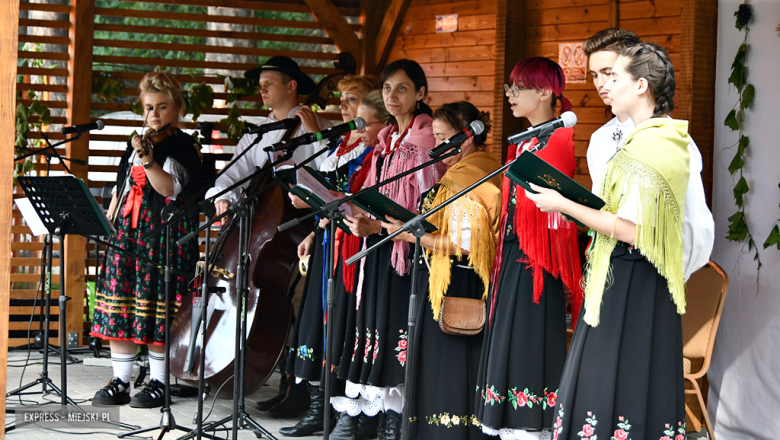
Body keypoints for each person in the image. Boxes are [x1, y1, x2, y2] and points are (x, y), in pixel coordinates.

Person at [526, 42, 690, 440]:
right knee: (605, 380)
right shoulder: (644, 139)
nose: (605, 86)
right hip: (623, 273)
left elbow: (634, 229)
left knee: (616, 382)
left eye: (614, 77)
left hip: (635, 276)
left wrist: (563, 203)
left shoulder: (655, 144)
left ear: (641, 86)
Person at [330, 59, 445, 440]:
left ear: (421, 94)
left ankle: (393, 420)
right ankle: (365, 416)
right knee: (371, 329)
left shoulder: (426, 140)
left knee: (395, 331)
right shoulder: (386, 142)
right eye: (387, 89)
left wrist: (379, 226)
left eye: (402, 89)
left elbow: (427, 205)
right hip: (379, 245)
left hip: (406, 253)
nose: (392, 97)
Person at [474, 57, 583, 440]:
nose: (511, 95)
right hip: (513, 256)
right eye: (510, 87)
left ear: (545, 92)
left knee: (526, 347)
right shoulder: (528, 139)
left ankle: (527, 426)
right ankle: (506, 426)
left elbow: (551, 213)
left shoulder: (556, 140)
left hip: (534, 260)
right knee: (508, 342)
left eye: (519, 87)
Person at [382, 102, 501, 440]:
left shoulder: (470, 175)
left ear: (467, 137)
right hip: (449, 277)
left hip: (459, 281)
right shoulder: (473, 167)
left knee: (451, 370)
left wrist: (411, 234)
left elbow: (464, 243)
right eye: (434, 137)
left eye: (444, 137)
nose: (437, 146)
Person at [91, 71, 202, 408]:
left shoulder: (182, 146)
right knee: (120, 307)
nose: (154, 115)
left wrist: (148, 159)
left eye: (162, 107)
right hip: (128, 236)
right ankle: (121, 380)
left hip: (162, 240)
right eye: (149, 108)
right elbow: (122, 185)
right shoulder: (138, 143)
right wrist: (110, 211)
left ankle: (159, 382)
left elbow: (169, 188)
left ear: (176, 110)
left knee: (158, 311)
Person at [280, 76, 381, 437]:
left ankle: (339, 412)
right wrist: (312, 228)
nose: (342, 105)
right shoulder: (343, 145)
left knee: (338, 325)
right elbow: (327, 195)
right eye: (341, 98)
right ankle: (317, 406)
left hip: (352, 244)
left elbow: (350, 198)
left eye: (350, 99)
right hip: (328, 239)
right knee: (317, 321)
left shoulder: (370, 149)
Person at [584, 28, 714, 281]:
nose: (600, 84)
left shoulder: (672, 139)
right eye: (595, 75)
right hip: (608, 266)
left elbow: (693, 217)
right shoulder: (599, 139)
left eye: (609, 74)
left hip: (653, 268)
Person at [205, 55, 333, 217]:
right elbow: (234, 173)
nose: (262, 90)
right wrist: (223, 196)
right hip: (261, 217)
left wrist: (316, 135)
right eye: (260, 85)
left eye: (269, 84)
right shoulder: (257, 133)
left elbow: (333, 171)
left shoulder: (322, 127)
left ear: (291, 86)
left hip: (307, 219)